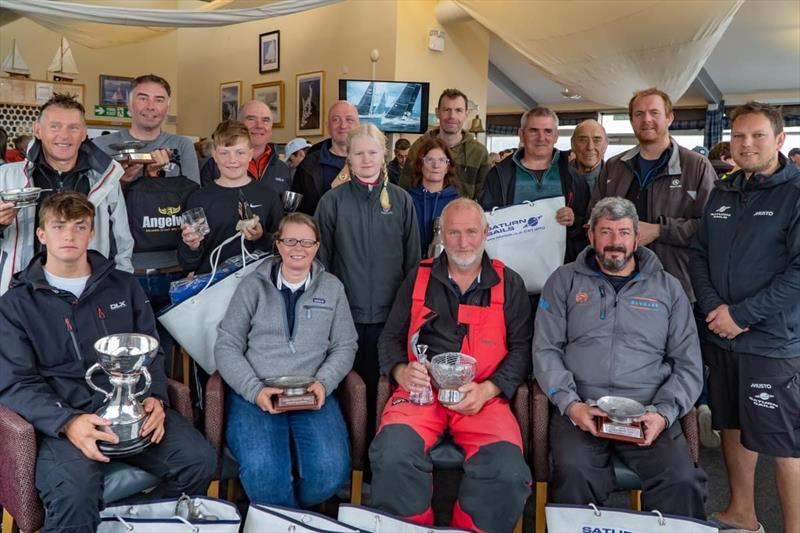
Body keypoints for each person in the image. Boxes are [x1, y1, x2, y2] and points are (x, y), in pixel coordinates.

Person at [0, 192, 216, 533]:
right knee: (74, 495)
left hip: (131, 412)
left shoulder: (124, 286)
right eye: (58, 227)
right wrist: (67, 422)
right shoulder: (15, 304)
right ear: (41, 235)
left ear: (92, 233)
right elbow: (15, 383)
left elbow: (152, 352)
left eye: (79, 226)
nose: (69, 236)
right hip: (64, 421)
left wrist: (155, 397)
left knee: (199, 461)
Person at [533, 196, 707, 518]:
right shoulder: (563, 281)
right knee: (573, 474)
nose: (615, 243)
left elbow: (688, 364)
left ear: (637, 238)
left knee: (682, 480)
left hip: (647, 410)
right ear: (590, 235)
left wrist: (663, 413)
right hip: (583, 409)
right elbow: (545, 350)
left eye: (624, 233)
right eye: (607, 232)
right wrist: (572, 406)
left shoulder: (668, 288)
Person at [370, 198, 532, 532]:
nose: (462, 242)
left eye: (471, 232)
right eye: (453, 233)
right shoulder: (419, 277)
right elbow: (389, 338)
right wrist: (401, 371)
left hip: (482, 398)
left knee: (508, 472)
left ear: (486, 232)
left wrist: (489, 388)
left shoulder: (509, 283)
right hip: (421, 394)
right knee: (392, 454)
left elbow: (523, 349)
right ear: (441, 233)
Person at [689, 102, 800, 533]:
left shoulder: (793, 195)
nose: (746, 144)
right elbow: (700, 253)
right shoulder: (724, 190)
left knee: (783, 442)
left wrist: (742, 314)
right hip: (722, 335)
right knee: (731, 424)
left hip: (770, 342)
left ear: (779, 140)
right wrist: (715, 307)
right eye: (739, 136)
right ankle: (742, 512)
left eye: (757, 136)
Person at [214, 212, 357, 508]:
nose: (298, 248)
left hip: (313, 392)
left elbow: (345, 345)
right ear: (277, 245)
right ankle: (292, 521)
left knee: (330, 473)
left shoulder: (332, 288)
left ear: (317, 247)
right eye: (290, 240)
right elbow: (227, 345)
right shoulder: (252, 287)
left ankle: (285, 516)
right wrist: (254, 390)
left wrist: (324, 383)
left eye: (306, 242)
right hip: (258, 393)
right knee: (264, 474)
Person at [315, 123, 420, 439]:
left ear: (384, 155)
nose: (366, 159)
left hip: (391, 319)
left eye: (372, 152)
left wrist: (408, 314)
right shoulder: (331, 202)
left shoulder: (401, 201)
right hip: (346, 317)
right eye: (358, 153)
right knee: (349, 391)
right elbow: (322, 265)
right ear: (348, 156)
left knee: (384, 390)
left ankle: (379, 460)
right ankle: (349, 462)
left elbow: (413, 262)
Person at [588, 87, 716, 302]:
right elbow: (594, 217)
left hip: (676, 287)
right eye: (639, 114)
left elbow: (713, 227)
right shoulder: (614, 166)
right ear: (631, 120)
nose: (646, 119)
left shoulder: (697, 166)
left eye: (654, 113)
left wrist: (659, 230)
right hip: (616, 285)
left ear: (669, 118)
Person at [0, 93, 133, 294]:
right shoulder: (6, 177)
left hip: (88, 292)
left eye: (73, 127)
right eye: (55, 126)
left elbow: (122, 241)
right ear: (38, 130)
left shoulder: (105, 180)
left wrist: (123, 288)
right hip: (22, 292)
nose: (64, 135)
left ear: (84, 134)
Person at [480, 106, 591, 264]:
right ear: (521, 134)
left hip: (560, 269)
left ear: (556, 135)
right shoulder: (498, 175)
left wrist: (573, 222)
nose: (541, 137)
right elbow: (486, 220)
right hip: (510, 268)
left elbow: (587, 224)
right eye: (533, 130)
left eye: (547, 131)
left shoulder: (574, 178)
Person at [178, 120, 281, 275]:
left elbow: (281, 247)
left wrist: (260, 237)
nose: (232, 160)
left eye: (240, 152)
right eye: (224, 153)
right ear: (214, 155)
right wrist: (192, 246)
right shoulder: (199, 199)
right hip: (212, 287)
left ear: (250, 154)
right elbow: (187, 263)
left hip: (257, 286)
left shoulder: (268, 196)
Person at [93, 74, 200, 184]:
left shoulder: (182, 146)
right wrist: (119, 182)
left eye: (159, 100)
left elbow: (194, 197)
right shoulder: (100, 146)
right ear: (129, 104)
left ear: (168, 108)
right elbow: (88, 198)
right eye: (143, 98)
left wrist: (155, 177)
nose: (150, 106)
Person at [399, 89, 490, 200]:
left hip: (462, 216)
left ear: (466, 114)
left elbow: (484, 199)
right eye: (447, 109)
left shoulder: (479, 152)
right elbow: (404, 191)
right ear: (438, 112)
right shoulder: (419, 147)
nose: (452, 116)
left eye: (458, 110)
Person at [199, 100, 292, 195]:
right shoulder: (214, 167)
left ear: (271, 129)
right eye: (251, 119)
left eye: (265, 120)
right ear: (238, 124)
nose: (259, 125)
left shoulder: (283, 169)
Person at [291, 101, 360, 214]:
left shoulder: (372, 164)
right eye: (336, 119)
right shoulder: (308, 165)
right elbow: (297, 213)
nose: (343, 125)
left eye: (349, 119)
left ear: (358, 125)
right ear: (327, 126)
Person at [407, 138, 459, 257]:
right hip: (411, 270)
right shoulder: (406, 199)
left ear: (447, 166)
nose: (436, 165)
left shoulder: (457, 203)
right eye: (430, 160)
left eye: (442, 160)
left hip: (445, 270)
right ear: (420, 164)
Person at [569, 118, 608, 191]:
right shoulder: (558, 176)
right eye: (583, 140)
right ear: (572, 144)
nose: (590, 147)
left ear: (605, 145)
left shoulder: (616, 178)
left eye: (597, 140)